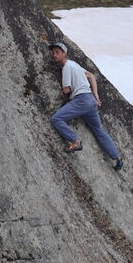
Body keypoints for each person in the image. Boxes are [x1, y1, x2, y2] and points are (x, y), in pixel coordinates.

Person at [48, 41, 123, 170]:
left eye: (57, 53)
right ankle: (117, 158)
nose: (54, 55)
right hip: (90, 100)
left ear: (64, 53)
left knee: (57, 119)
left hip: (81, 100)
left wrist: (63, 90)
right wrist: (96, 96)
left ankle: (75, 141)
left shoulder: (66, 67)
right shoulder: (75, 65)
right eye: (53, 53)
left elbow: (67, 90)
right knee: (99, 130)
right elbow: (91, 76)